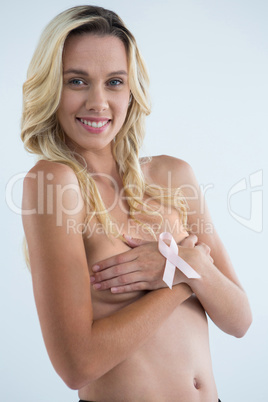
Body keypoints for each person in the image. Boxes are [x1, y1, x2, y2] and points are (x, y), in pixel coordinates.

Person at [21, 5, 252, 402]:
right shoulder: (53, 182)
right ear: (51, 89)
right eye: (77, 81)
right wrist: (179, 275)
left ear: (131, 91)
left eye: (114, 82)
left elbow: (239, 318)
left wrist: (190, 265)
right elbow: (76, 365)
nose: (98, 101)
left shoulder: (172, 175)